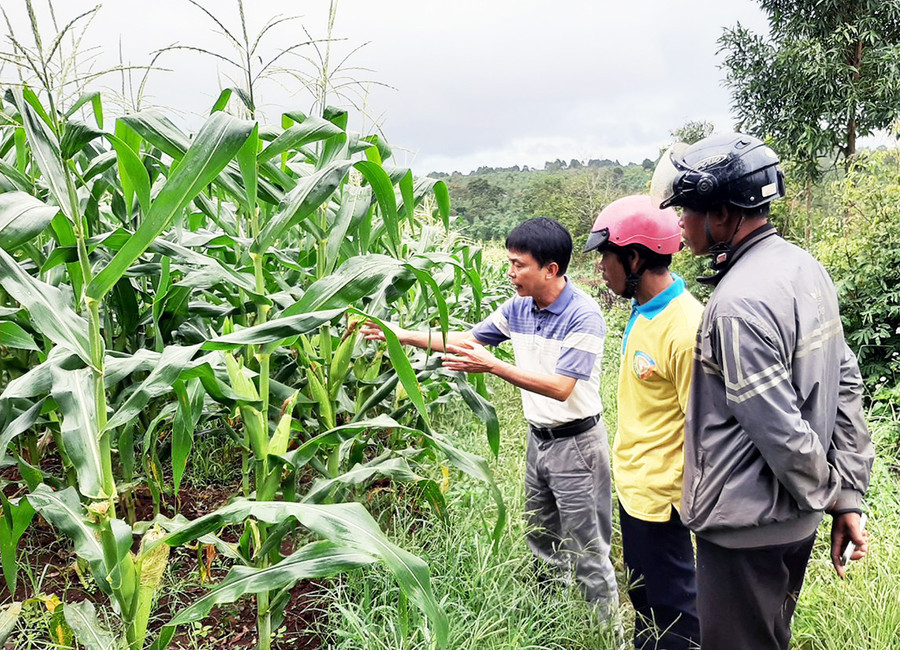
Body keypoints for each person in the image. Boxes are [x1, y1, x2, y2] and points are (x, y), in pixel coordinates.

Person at [650, 132, 875, 650]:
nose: (679, 223)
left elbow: (780, 431)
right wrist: (845, 497)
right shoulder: (805, 268)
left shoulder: (736, 304)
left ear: (724, 216)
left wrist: (825, 496)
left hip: (746, 526)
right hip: (793, 520)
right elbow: (846, 382)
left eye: (687, 210)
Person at [361, 217, 619, 616]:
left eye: (519, 264)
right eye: (510, 262)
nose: (510, 272)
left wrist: (494, 367)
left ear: (550, 269)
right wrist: (397, 333)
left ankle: (605, 636)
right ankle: (549, 622)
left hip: (578, 447)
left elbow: (560, 387)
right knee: (542, 540)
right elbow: (468, 340)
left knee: (588, 550)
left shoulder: (583, 315)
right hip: (540, 441)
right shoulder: (519, 307)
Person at [584, 194, 702, 650]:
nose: (601, 269)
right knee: (647, 608)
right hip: (637, 492)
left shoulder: (684, 326)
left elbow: (702, 428)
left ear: (633, 257)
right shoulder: (644, 311)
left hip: (665, 501)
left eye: (606, 258)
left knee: (676, 618)